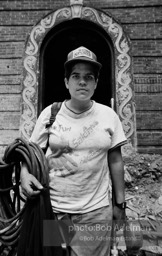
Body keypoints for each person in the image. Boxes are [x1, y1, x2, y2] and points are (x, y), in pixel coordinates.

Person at [20, 46, 127, 256]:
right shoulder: (50, 114)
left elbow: (115, 160)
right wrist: (24, 174)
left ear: (96, 83)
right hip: (56, 210)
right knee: (58, 254)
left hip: (95, 213)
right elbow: (31, 153)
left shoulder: (108, 116)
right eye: (76, 76)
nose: (82, 82)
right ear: (66, 82)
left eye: (89, 77)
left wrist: (120, 205)